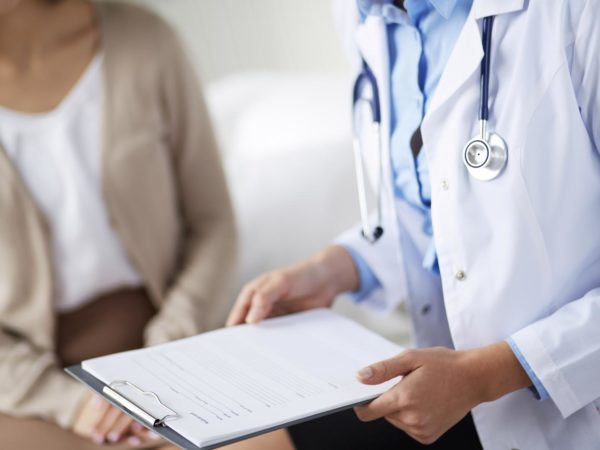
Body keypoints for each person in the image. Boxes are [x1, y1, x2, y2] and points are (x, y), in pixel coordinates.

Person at [226, 0, 600, 449]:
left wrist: (488, 374)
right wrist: (338, 267)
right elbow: (439, 208)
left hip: (572, 407)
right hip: (447, 395)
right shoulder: (362, 15)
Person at [0, 0, 236, 449]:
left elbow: (214, 223)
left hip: (171, 349)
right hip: (22, 387)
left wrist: (167, 353)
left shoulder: (147, 43)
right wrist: (71, 404)